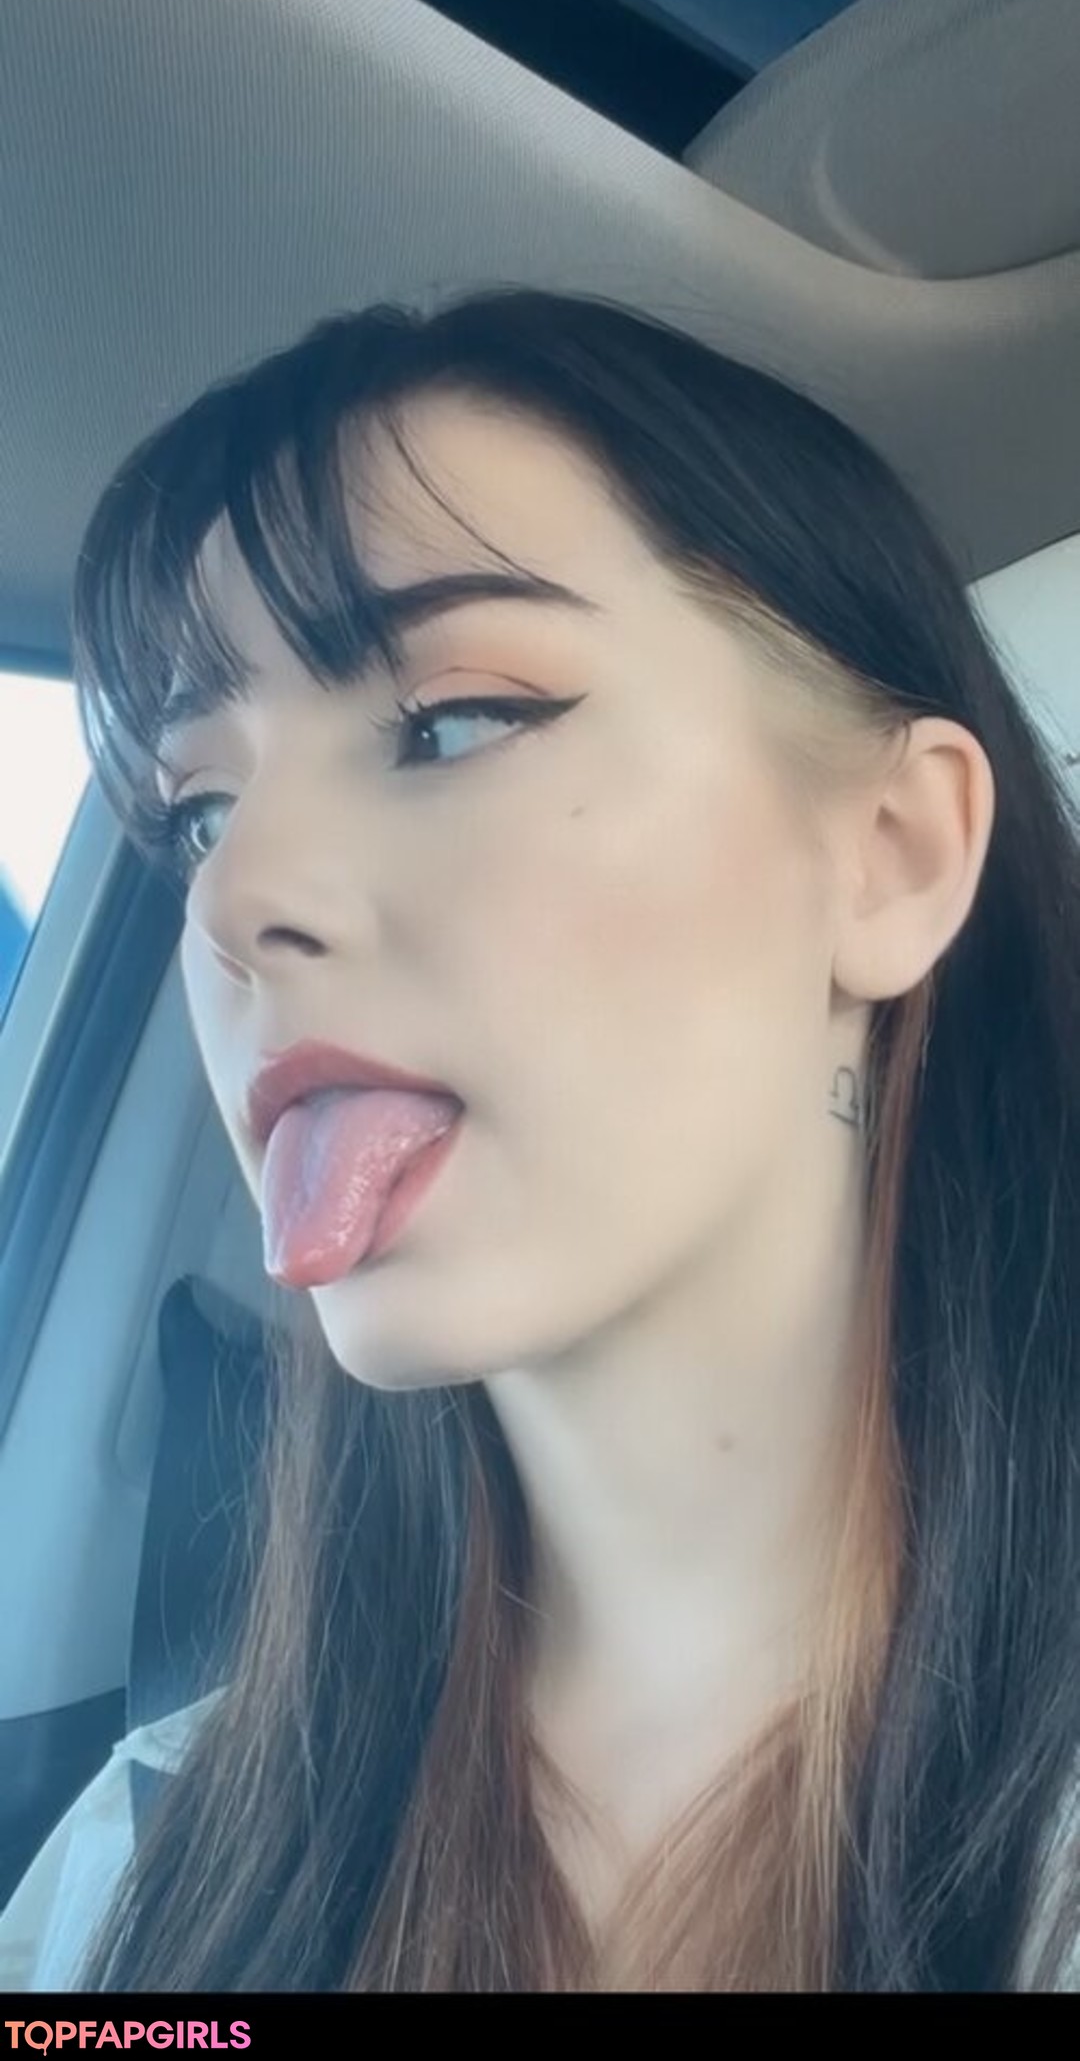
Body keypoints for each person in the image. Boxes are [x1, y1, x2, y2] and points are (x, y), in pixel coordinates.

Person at [1, 289, 1076, 1993]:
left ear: (890, 854)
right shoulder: (141, 1868)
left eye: (450, 725)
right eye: (198, 812)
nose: (234, 898)